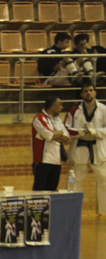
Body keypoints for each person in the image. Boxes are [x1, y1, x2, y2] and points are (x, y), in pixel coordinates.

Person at [65, 81, 106, 215]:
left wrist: (96, 132)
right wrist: (79, 132)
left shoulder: (103, 109)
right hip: (80, 147)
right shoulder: (74, 109)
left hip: (98, 147)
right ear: (82, 93)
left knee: (104, 180)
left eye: (90, 90)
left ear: (95, 92)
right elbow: (66, 128)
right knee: (76, 181)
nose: (88, 93)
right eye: (85, 91)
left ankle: (103, 211)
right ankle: (74, 212)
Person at [32, 95, 70, 191]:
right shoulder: (39, 118)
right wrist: (56, 135)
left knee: (53, 190)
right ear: (53, 106)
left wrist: (57, 135)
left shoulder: (57, 120)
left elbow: (67, 138)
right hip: (43, 160)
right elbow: (49, 135)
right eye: (60, 105)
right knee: (39, 190)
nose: (62, 108)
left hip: (56, 160)